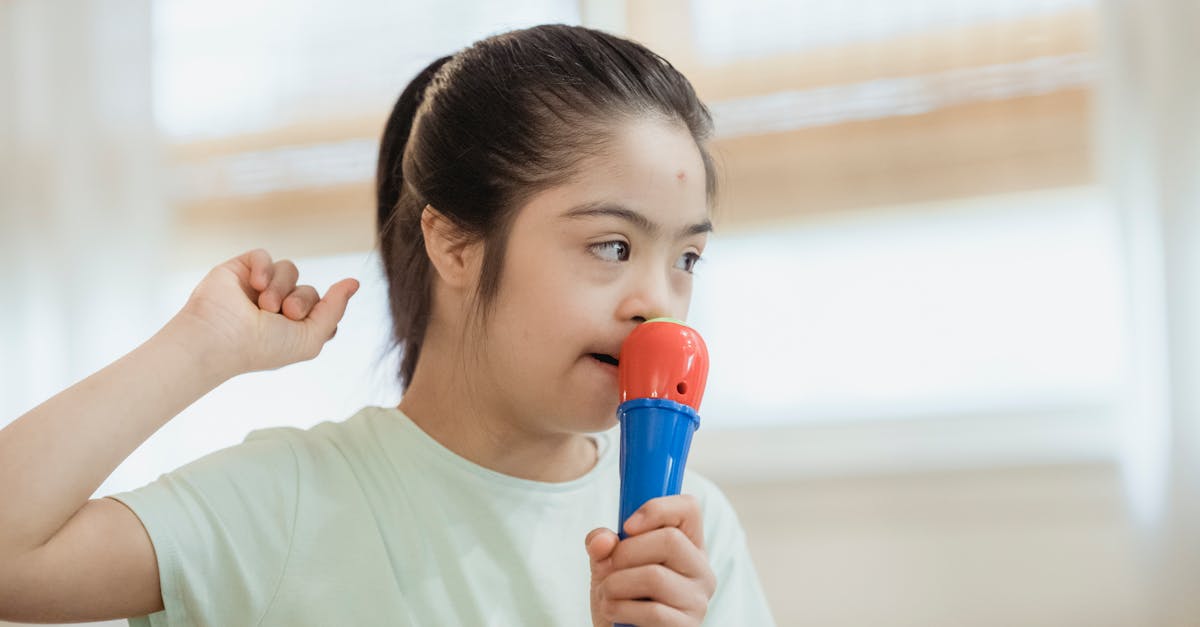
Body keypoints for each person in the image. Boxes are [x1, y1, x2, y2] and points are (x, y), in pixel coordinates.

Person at [0, 23, 775, 626]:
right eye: (612, 245)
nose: (660, 305)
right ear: (454, 242)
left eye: (688, 258)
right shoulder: (291, 501)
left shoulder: (694, 539)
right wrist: (197, 348)